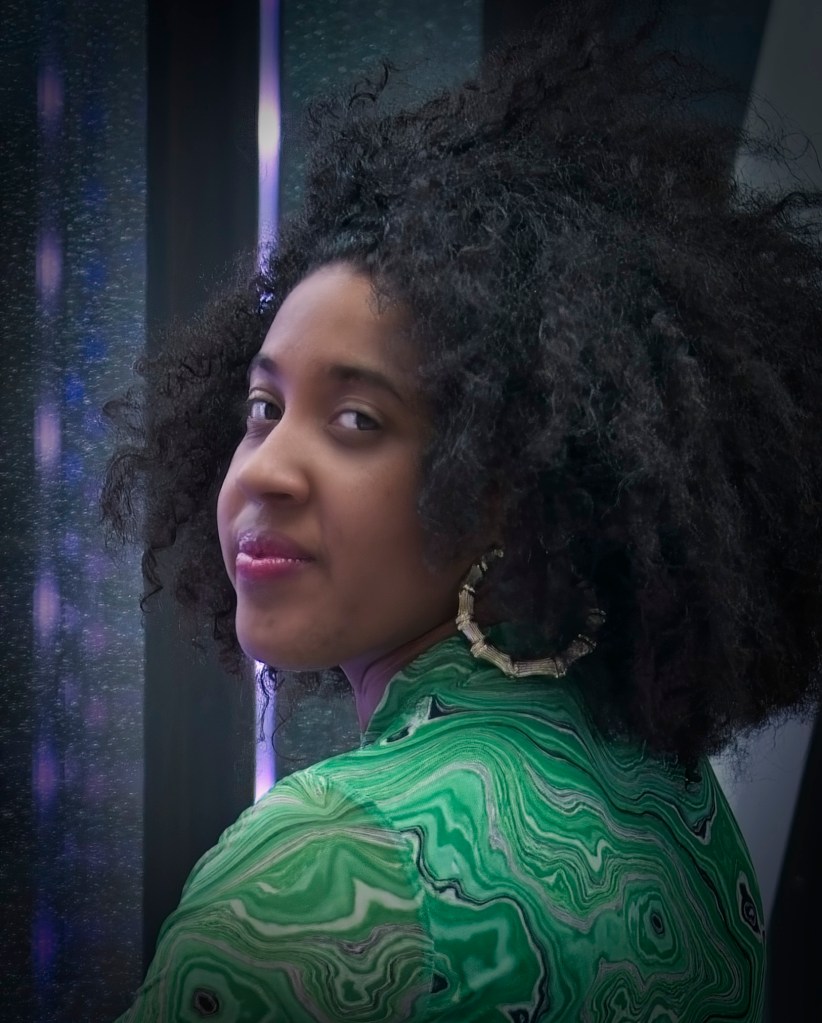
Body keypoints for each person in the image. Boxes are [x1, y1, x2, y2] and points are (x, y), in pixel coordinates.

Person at [103, 4, 822, 1020]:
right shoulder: (676, 801)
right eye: (262, 407)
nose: (267, 470)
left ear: (516, 479)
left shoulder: (319, 868)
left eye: (357, 420)